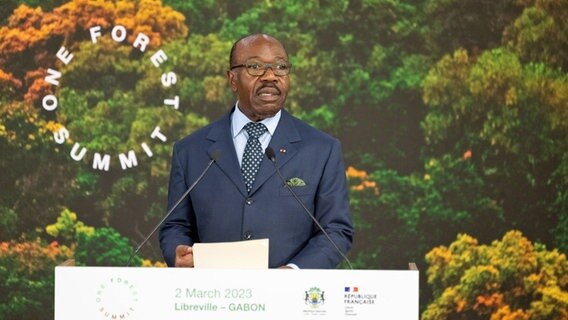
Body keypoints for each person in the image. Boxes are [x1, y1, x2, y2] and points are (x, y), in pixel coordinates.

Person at [159, 33, 353, 269]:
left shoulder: (322, 150)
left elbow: (336, 230)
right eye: (255, 67)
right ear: (232, 79)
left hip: (289, 297)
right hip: (213, 298)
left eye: (280, 67)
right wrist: (176, 251)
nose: (270, 76)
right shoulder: (190, 151)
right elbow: (175, 226)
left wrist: (293, 272)